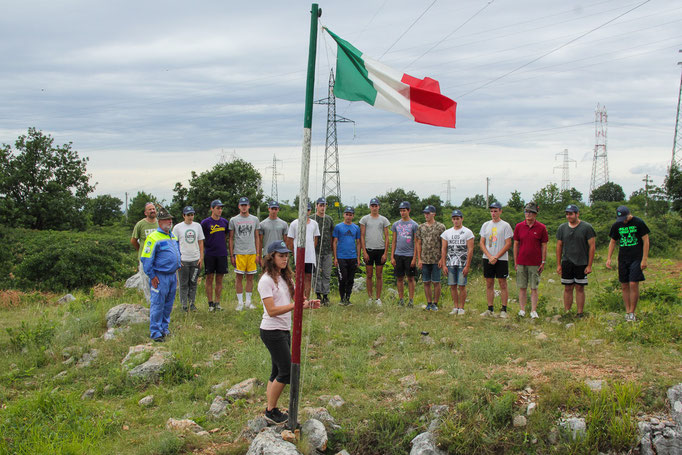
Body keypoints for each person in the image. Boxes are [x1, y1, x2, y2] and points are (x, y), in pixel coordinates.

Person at [258, 240, 320, 424]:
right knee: (286, 372)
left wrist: (308, 304)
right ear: (271, 257)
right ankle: (271, 410)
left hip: (283, 329)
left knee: (276, 370)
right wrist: (296, 306)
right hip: (271, 330)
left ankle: (270, 408)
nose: (285, 259)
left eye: (286, 255)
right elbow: (272, 310)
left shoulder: (286, 278)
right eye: (280, 256)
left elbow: (296, 299)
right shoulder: (265, 281)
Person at [140, 205, 181, 342]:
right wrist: (152, 276)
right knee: (158, 304)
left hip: (172, 276)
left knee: (168, 304)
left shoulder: (172, 236)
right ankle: (156, 332)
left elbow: (177, 251)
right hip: (160, 276)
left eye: (170, 220)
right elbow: (146, 258)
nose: (169, 222)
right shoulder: (153, 237)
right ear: (160, 221)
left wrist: (178, 264)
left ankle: (165, 328)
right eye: (166, 220)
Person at [606, 205, 650, 322]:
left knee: (633, 284)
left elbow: (646, 240)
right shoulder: (617, 225)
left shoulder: (638, 222)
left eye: (625, 218)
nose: (624, 221)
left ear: (629, 214)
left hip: (636, 258)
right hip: (623, 258)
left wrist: (644, 259)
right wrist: (609, 258)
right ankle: (627, 311)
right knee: (624, 285)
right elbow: (613, 241)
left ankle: (632, 312)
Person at [555, 204, 596, 317]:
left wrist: (589, 265)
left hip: (581, 261)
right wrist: (558, 264)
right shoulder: (562, 228)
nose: (569, 216)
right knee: (568, 287)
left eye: (571, 214)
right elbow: (559, 246)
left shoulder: (587, 227)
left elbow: (592, 246)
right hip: (567, 261)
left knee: (579, 287)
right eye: (567, 214)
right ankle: (567, 312)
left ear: (577, 214)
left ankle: (580, 313)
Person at [513, 201, 549, 319]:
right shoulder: (519, 226)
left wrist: (543, 261)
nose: (528, 214)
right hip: (522, 261)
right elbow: (516, 244)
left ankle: (533, 310)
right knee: (522, 287)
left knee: (534, 287)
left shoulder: (541, 227)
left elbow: (544, 245)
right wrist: (515, 261)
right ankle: (522, 309)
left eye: (531, 212)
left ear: (535, 214)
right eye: (526, 211)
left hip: (535, 262)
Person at [479, 202, 513, 318]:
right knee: (489, 283)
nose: (493, 213)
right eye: (491, 211)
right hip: (488, 257)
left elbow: (508, 243)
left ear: (500, 211)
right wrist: (489, 256)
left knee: (502, 283)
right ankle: (490, 308)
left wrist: (496, 257)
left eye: (495, 211)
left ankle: (504, 309)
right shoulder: (485, 225)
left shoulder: (505, 225)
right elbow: (481, 243)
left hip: (501, 258)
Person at [229, 197, 262, 311]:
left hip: (251, 252)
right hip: (239, 252)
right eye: (242, 205)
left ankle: (248, 302)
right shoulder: (234, 220)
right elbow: (231, 238)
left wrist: (258, 254)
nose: (244, 207)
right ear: (239, 206)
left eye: (245, 205)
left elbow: (257, 237)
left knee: (250, 277)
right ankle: (240, 302)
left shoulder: (255, 219)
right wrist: (232, 254)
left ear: (249, 206)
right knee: (239, 277)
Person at [440, 210, 474, 315]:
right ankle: (455, 307)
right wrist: (444, 264)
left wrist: (467, 265)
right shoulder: (447, 233)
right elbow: (444, 249)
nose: (456, 221)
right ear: (452, 220)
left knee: (461, 285)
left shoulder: (468, 232)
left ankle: (462, 307)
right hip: (450, 263)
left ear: (462, 219)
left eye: (457, 218)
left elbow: (470, 249)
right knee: (452, 285)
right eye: (454, 219)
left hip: (462, 263)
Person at [172, 206, 205, 312]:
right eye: (188, 215)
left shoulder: (197, 226)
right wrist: (177, 259)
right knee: (183, 283)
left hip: (195, 259)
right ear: (183, 216)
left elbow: (200, 241)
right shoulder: (177, 228)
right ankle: (183, 305)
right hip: (183, 260)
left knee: (193, 282)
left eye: (192, 215)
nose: (190, 217)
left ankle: (192, 303)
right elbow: (174, 243)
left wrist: (201, 257)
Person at [359, 198, 390, 306]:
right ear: (370, 207)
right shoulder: (364, 219)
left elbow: (387, 237)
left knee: (379, 275)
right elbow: (362, 236)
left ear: (379, 207)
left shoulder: (384, 220)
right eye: (372, 206)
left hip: (380, 250)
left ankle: (378, 298)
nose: (374, 208)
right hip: (369, 249)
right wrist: (364, 251)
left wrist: (386, 253)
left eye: (376, 206)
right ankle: (370, 298)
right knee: (369, 275)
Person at [286, 203, 320, 299]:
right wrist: (294, 251)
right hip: (299, 256)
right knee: (299, 277)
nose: (306, 212)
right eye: (304, 210)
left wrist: (311, 249)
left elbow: (315, 239)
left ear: (310, 211)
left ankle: (307, 299)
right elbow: (290, 240)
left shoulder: (314, 224)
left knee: (308, 277)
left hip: (310, 257)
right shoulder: (294, 223)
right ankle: (299, 298)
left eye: (308, 210)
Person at [416, 205, 446, 311]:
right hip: (424, 259)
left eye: (428, 213)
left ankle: (435, 303)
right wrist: (419, 259)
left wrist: (442, 259)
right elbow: (419, 243)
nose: (426, 215)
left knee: (436, 282)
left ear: (434, 214)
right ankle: (429, 302)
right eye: (425, 213)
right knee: (426, 282)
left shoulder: (441, 227)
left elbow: (444, 244)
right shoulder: (421, 227)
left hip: (436, 259)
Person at [201, 200, 229, 311]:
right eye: (218, 208)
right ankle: (210, 303)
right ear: (212, 208)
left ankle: (217, 303)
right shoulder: (205, 223)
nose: (220, 210)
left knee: (219, 279)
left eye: (221, 208)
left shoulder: (225, 222)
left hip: (221, 254)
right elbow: (201, 238)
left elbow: (226, 235)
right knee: (209, 278)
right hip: (210, 254)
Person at [391, 201, 419, 307]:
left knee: (411, 278)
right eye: (401, 211)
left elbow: (416, 242)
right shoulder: (396, 225)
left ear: (409, 211)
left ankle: (411, 300)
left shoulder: (414, 225)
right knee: (399, 278)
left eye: (404, 210)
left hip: (409, 254)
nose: (402, 213)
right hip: (398, 254)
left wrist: (414, 258)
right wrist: (392, 256)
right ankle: (401, 299)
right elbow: (394, 241)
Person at [131, 202, 159, 303]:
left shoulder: (159, 223)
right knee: (146, 281)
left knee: (159, 280)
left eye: (153, 209)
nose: (152, 211)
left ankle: (159, 300)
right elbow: (133, 240)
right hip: (145, 259)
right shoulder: (140, 224)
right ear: (145, 213)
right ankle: (149, 302)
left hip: (158, 258)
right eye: (150, 209)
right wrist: (141, 251)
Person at [333, 207, 361, 305]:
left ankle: (348, 299)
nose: (348, 216)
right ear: (344, 215)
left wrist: (358, 258)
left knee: (350, 279)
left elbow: (358, 243)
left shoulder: (356, 228)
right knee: (343, 278)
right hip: (341, 257)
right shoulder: (338, 227)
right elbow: (335, 242)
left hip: (352, 257)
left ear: (353, 216)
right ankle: (342, 299)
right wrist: (335, 257)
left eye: (350, 215)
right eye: (347, 214)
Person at [313, 197, 334, 306]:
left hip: (327, 251)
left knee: (326, 273)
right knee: (316, 274)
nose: (322, 207)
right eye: (320, 205)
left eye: (324, 205)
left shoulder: (329, 219)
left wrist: (333, 251)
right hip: (315, 250)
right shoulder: (312, 218)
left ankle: (325, 295)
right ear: (316, 206)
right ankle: (318, 294)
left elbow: (332, 236)